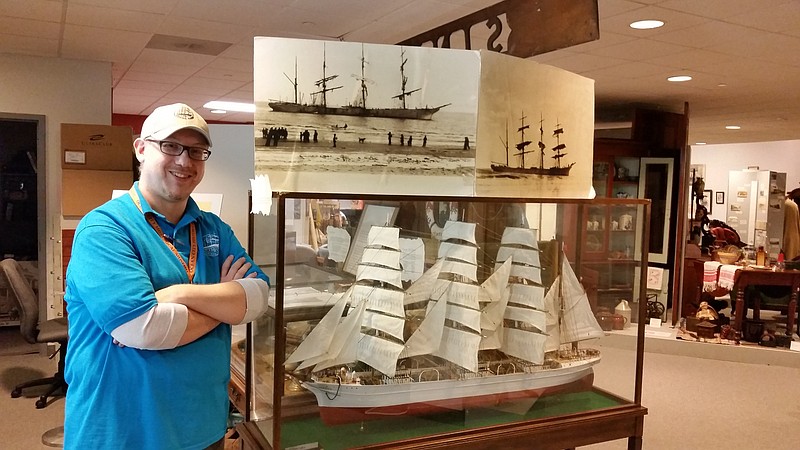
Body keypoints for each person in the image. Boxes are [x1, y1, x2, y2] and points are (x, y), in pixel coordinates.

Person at [62, 103, 270, 450]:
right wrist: (223, 307)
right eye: (170, 146)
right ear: (141, 149)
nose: (185, 161)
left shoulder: (213, 228)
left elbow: (257, 298)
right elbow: (144, 328)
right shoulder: (104, 229)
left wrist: (177, 295)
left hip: (203, 429)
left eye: (196, 151)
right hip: (123, 434)